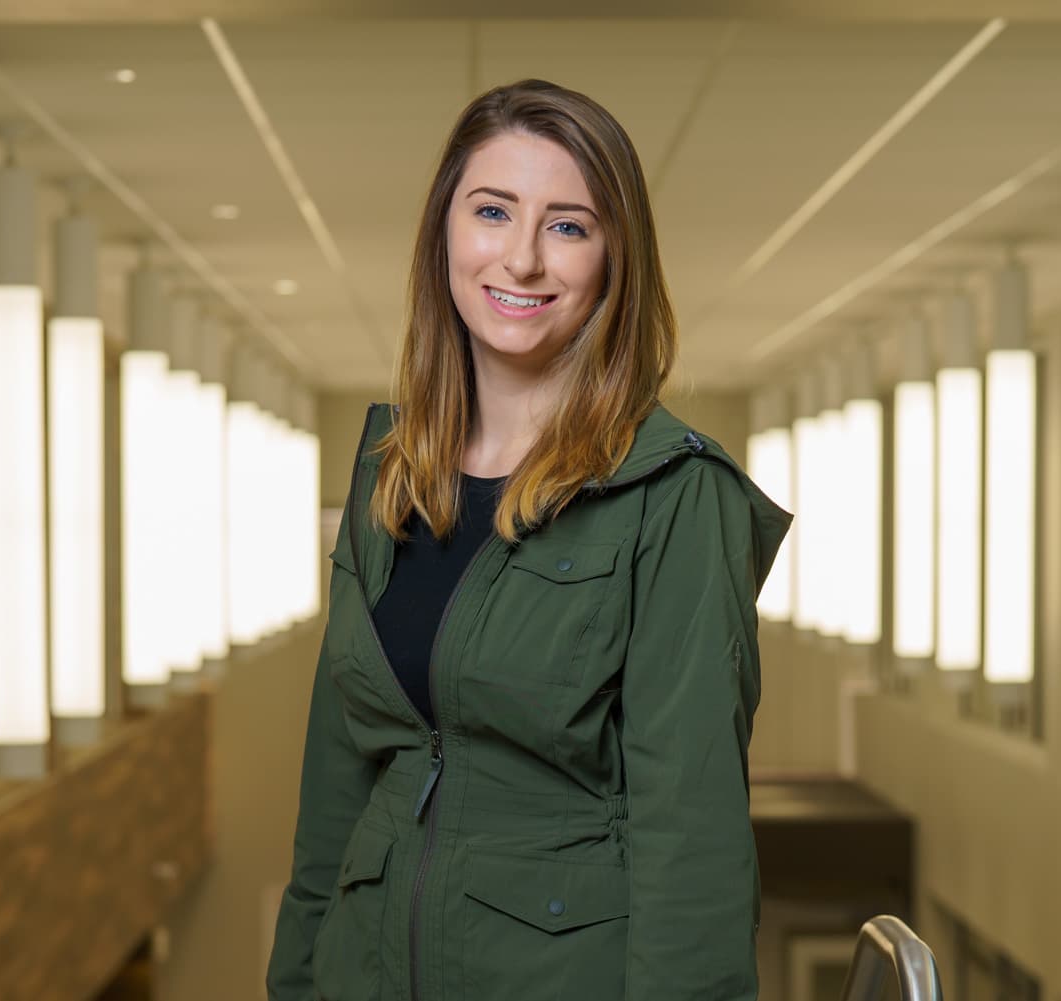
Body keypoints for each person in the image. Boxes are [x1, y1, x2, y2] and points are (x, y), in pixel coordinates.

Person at [265, 79, 792, 1001]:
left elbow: (693, 848)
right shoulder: (388, 475)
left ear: (614, 260)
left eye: (568, 226)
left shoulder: (674, 496)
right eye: (493, 211)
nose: (521, 258)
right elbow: (334, 801)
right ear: (445, 232)